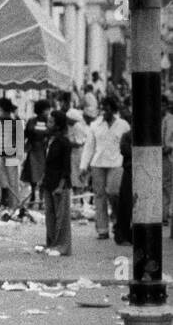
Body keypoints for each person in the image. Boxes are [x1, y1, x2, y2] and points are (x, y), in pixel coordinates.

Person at [80, 96, 131, 241]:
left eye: (107, 108)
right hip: (98, 164)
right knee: (99, 197)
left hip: (117, 163)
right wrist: (83, 166)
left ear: (113, 109)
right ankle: (102, 229)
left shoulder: (123, 125)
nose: (105, 111)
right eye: (103, 108)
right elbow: (89, 147)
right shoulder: (95, 125)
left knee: (114, 193)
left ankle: (117, 222)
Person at [40, 110, 73, 256]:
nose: (48, 124)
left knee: (62, 218)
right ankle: (52, 244)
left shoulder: (64, 142)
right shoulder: (49, 140)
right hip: (49, 182)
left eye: (51, 122)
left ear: (58, 125)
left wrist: (60, 186)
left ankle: (63, 247)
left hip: (60, 184)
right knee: (50, 216)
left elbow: (66, 167)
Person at [23, 99, 52, 207]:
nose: (48, 112)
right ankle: (33, 196)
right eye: (46, 110)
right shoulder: (32, 121)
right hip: (34, 150)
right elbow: (26, 133)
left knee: (43, 175)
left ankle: (41, 198)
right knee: (33, 175)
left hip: (45, 151)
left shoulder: (48, 121)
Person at [161, 95, 173, 228]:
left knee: (167, 185)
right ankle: (163, 215)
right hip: (156, 155)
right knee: (160, 185)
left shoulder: (170, 120)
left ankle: (167, 214)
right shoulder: (155, 119)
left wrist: (169, 147)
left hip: (168, 156)